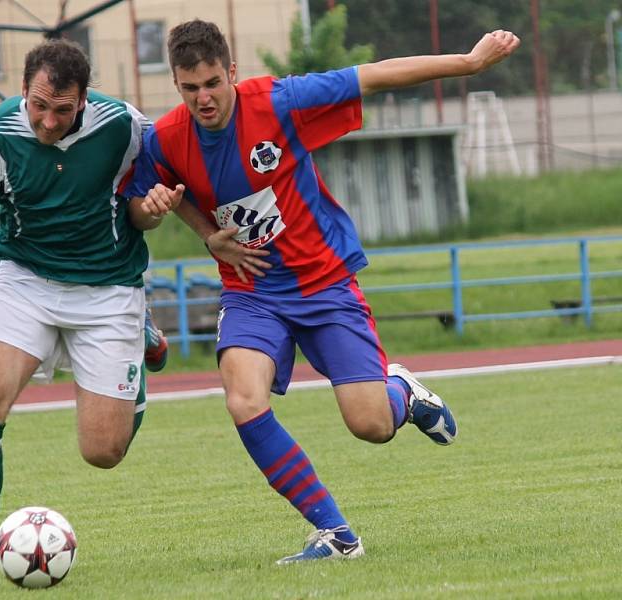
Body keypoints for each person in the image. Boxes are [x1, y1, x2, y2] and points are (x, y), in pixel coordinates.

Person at [127, 19, 520, 563]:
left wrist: (469, 63)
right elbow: (144, 195)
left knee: (370, 426)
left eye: (213, 84)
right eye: (190, 89)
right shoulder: (166, 135)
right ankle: (337, 535)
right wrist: (200, 233)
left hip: (323, 283)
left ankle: (401, 392)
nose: (204, 99)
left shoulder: (280, 102)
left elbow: (376, 76)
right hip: (252, 290)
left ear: (231, 72)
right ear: (175, 84)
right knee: (243, 399)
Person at [0, 38, 169, 584]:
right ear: (23, 91)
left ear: (84, 100)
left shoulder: (125, 127)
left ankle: (137, 334)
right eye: (38, 105)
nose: (47, 121)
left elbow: (147, 198)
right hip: (26, 280)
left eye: (62, 110)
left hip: (109, 284)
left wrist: (156, 209)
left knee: (103, 452)